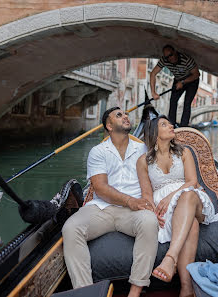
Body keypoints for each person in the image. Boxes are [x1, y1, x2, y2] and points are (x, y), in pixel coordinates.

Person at [62, 107, 159, 297]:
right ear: (108, 125)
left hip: (133, 211)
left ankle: (135, 290)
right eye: (119, 115)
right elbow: (100, 188)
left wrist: (147, 203)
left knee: (149, 222)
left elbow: (149, 179)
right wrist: (129, 200)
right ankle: (86, 292)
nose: (125, 116)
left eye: (126, 114)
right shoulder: (98, 151)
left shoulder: (143, 148)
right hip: (102, 208)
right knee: (71, 228)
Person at [136, 115, 218, 297]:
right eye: (164, 124)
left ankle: (171, 258)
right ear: (154, 133)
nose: (170, 126)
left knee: (187, 196)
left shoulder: (184, 152)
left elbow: (192, 181)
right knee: (190, 223)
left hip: (191, 197)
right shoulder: (143, 161)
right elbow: (146, 194)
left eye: (169, 123)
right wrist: (153, 212)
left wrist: (171, 197)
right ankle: (186, 288)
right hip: (169, 210)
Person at [150, 45, 200, 127]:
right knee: (173, 101)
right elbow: (153, 73)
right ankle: (171, 124)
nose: (169, 58)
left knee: (187, 103)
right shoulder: (164, 60)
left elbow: (197, 74)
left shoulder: (187, 59)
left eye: (171, 55)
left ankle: (184, 126)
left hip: (192, 80)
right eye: (167, 57)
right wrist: (153, 92)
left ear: (175, 52)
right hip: (178, 79)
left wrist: (183, 82)